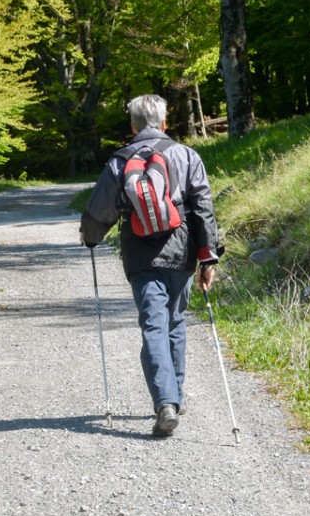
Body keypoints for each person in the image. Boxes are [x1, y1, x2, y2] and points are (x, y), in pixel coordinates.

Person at [80, 94, 224, 437]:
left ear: (132, 126)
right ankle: (173, 396)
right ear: (164, 123)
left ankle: (166, 402)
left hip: (140, 254)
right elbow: (202, 207)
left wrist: (90, 237)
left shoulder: (119, 161)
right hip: (182, 252)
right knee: (175, 322)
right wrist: (208, 257)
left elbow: (100, 211)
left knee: (153, 326)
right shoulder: (186, 156)